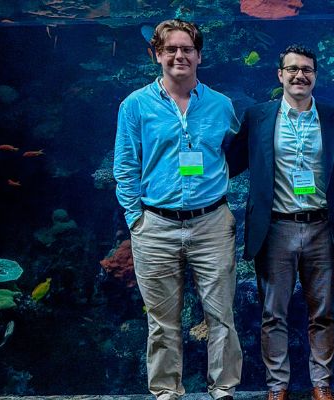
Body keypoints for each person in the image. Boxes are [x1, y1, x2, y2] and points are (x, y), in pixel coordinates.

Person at [113, 19, 241, 400]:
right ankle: (167, 391)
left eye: (187, 49)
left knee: (221, 315)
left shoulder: (222, 105)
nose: (179, 55)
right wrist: (135, 219)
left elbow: (235, 153)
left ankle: (224, 389)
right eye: (170, 49)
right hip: (155, 225)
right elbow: (125, 166)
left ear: (199, 56)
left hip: (212, 223)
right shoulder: (134, 105)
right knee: (162, 321)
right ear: (156, 54)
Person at [226, 44, 334, 400]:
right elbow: (231, 164)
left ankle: (321, 384)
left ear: (316, 76)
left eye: (307, 69)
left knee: (322, 312)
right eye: (291, 69)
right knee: (273, 312)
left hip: (322, 226)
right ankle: (277, 386)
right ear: (280, 76)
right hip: (275, 227)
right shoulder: (258, 116)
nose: (299, 75)